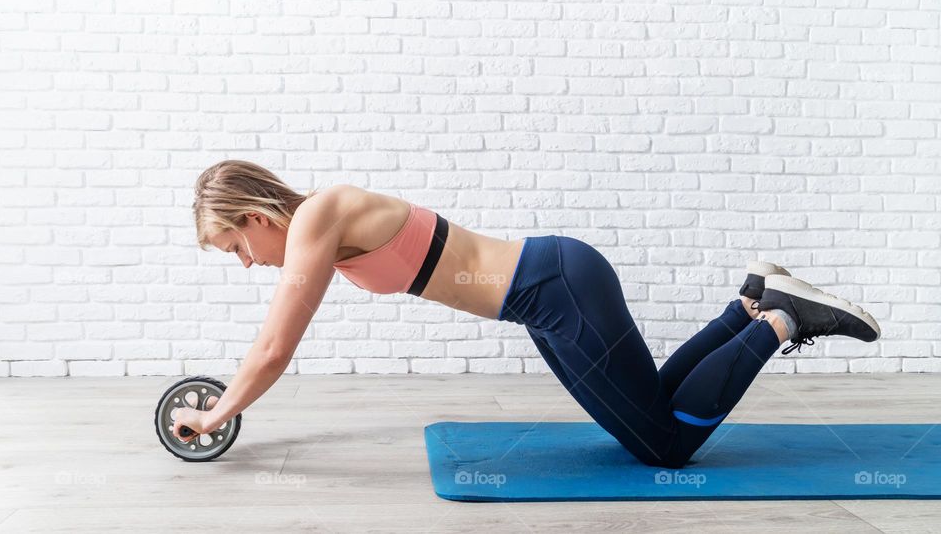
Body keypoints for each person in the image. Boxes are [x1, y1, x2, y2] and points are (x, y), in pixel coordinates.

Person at [172, 160, 881, 468]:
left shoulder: (317, 218)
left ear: (258, 216)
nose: (244, 260)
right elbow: (275, 337)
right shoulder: (318, 225)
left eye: (234, 244)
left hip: (557, 290)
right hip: (548, 299)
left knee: (665, 448)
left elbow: (273, 347)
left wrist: (214, 415)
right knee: (654, 414)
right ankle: (750, 302)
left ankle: (782, 319)